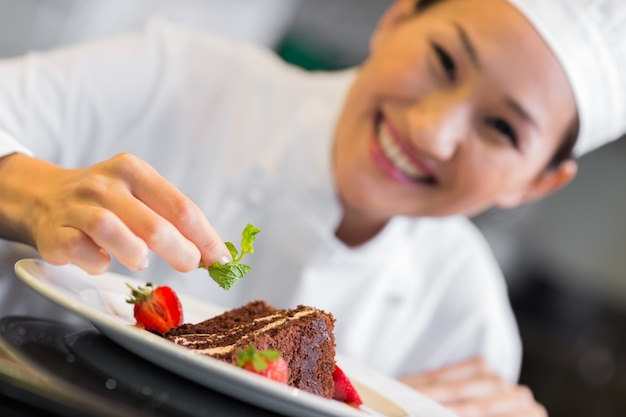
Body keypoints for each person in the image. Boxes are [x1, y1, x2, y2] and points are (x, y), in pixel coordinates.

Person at [0, 0, 623, 415]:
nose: (432, 132)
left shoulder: (464, 323)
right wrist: (30, 190)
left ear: (538, 183)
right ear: (397, 19)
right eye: (444, 61)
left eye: (500, 127)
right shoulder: (180, 74)